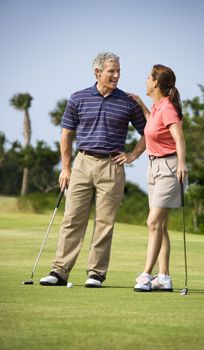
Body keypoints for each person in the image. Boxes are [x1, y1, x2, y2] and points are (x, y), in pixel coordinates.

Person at [40, 52, 146, 287]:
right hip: (82, 163)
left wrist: (133, 155)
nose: (117, 75)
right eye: (112, 71)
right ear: (98, 72)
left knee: (105, 222)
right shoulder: (78, 98)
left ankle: (96, 274)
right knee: (72, 219)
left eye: (118, 71)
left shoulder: (128, 102)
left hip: (112, 166)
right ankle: (59, 271)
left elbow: (149, 131)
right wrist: (65, 168)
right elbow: (66, 134)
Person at [128, 64, 188, 292]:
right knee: (160, 225)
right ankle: (164, 278)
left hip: (170, 168)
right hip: (154, 168)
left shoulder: (168, 109)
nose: (145, 80)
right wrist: (142, 105)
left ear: (155, 83)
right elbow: (152, 126)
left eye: (147, 77)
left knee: (153, 222)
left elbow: (179, 137)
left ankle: (145, 275)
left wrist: (182, 164)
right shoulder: (157, 108)